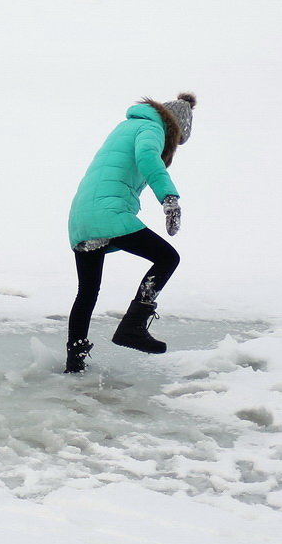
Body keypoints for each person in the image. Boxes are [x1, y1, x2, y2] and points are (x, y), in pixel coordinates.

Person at [64, 93, 196, 373]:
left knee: (87, 291)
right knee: (167, 258)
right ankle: (133, 326)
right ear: (174, 129)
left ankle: (74, 362)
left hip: (81, 218)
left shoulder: (126, 127)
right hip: (108, 213)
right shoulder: (151, 129)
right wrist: (169, 198)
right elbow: (148, 157)